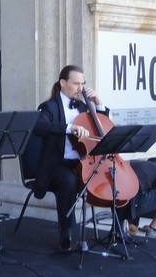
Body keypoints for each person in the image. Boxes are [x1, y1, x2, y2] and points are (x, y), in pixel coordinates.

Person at [32, 65, 107, 251]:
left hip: (81, 162)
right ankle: (66, 233)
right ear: (63, 83)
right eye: (76, 83)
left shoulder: (84, 106)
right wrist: (69, 128)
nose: (80, 88)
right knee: (69, 181)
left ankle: (119, 228)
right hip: (56, 165)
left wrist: (98, 103)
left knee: (107, 175)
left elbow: (102, 127)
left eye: (83, 84)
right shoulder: (48, 107)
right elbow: (40, 127)